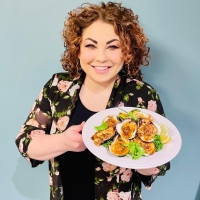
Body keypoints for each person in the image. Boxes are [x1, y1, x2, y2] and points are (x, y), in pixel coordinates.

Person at [15, 2, 170, 200]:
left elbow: (159, 167)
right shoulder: (57, 87)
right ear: (77, 48)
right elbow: (26, 142)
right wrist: (63, 141)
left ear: (127, 51)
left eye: (113, 46)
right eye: (90, 45)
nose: (101, 57)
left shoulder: (142, 95)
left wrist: (141, 153)